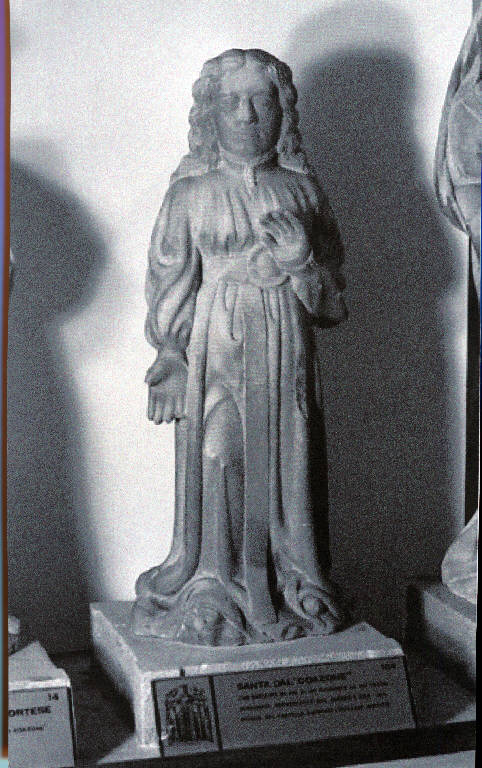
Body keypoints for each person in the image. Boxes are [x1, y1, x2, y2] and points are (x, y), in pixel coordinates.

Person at [132, 49, 348, 645]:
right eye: (232, 102)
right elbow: (169, 283)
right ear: (211, 114)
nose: (248, 115)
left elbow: (333, 303)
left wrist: (300, 261)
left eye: (261, 100)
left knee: (289, 465)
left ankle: (289, 583)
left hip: (285, 351)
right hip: (215, 352)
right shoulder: (190, 194)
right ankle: (213, 583)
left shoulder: (304, 191)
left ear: (283, 111)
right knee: (218, 454)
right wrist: (170, 357)